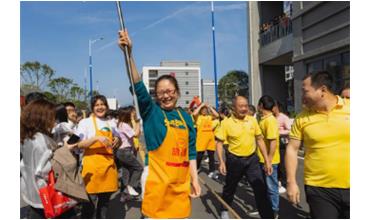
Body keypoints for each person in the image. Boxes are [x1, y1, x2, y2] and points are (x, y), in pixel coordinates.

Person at [118, 30, 201, 219]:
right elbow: (137, 84)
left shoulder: (185, 117)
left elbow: (192, 152)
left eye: (170, 91)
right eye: (161, 92)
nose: (166, 95)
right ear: (156, 96)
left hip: (180, 185)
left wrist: (195, 179)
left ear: (177, 92)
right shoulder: (151, 111)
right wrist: (128, 54)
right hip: (156, 182)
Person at [285, 71, 350, 218]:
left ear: (322, 90)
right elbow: (292, 149)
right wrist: (291, 182)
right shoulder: (302, 118)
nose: (302, 96)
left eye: (305, 91)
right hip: (319, 189)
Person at [215, 95, 274, 219]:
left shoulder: (252, 120)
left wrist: (267, 161)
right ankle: (225, 209)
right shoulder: (226, 123)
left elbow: (260, 140)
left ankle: (268, 216)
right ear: (233, 108)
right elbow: (219, 143)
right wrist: (221, 162)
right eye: (240, 106)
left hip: (252, 160)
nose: (244, 108)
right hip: (234, 160)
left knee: (260, 189)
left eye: (246, 106)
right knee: (230, 188)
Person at [20, 99, 77, 218]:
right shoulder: (41, 141)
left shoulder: (27, 136)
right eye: (52, 117)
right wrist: (64, 151)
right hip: (48, 198)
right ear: (41, 118)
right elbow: (44, 171)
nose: (55, 121)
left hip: (31, 192)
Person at [76, 95, 121, 219]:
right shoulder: (85, 122)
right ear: (92, 108)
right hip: (92, 166)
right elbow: (78, 144)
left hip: (108, 166)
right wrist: (96, 138)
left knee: (105, 203)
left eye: (102, 104)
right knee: (89, 203)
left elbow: (118, 140)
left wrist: (118, 139)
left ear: (106, 107)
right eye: (97, 105)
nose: (100, 107)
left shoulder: (111, 122)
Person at [257, 95, 281, 219]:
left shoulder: (270, 120)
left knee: (271, 187)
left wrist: (269, 161)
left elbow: (273, 142)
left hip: (270, 160)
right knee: (266, 186)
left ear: (261, 105)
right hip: (263, 159)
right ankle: (267, 209)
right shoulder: (264, 119)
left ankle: (274, 211)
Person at [115, 106, 143, 201]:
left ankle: (124, 195)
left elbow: (137, 134)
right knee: (139, 168)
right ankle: (131, 186)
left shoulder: (121, 124)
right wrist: (138, 122)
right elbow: (136, 134)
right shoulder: (124, 125)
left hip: (123, 151)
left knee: (126, 173)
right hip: (124, 151)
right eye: (131, 112)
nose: (133, 114)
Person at [192, 103, 219, 178]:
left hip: (210, 140)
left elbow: (217, 115)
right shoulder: (198, 117)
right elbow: (194, 113)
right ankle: (196, 168)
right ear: (200, 111)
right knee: (199, 156)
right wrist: (200, 105)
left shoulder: (209, 117)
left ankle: (212, 171)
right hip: (201, 140)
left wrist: (210, 107)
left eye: (205, 110)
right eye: (203, 110)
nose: (204, 111)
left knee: (211, 157)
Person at [272, 100, 292, 194]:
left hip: (282, 144)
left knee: (282, 164)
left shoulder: (284, 118)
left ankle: (284, 183)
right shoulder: (271, 118)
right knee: (276, 163)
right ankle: (278, 181)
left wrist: (279, 133)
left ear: (277, 107)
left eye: (273, 107)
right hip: (273, 144)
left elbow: (290, 130)